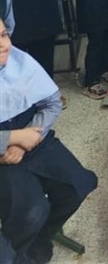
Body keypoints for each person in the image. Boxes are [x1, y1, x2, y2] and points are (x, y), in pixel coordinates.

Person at [0, 17, 97, 264]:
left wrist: (27, 139)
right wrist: (12, 138)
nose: (3, 44)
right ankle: (15, 254)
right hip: (3, 157)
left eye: (3, 35)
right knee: (32, 210)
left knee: (79, 184)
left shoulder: (20, 62)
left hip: (33, 136)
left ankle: (38, 239)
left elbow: (52, 102)